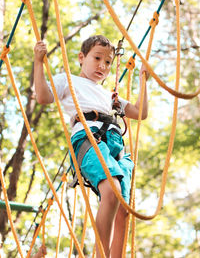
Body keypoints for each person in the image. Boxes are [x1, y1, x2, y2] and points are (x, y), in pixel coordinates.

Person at [34, 35, 149, 258]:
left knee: (123, 209)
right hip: (89, 137)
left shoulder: (110, 96)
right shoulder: (68, 80)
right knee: (111, 190)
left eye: (107, 62)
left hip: (115, 142)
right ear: (81, 57)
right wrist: (38, 62)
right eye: (97, 58)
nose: (102, 66)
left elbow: (140, 113)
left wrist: (144, 79)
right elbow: (43, 97)